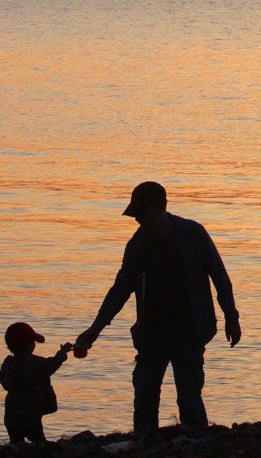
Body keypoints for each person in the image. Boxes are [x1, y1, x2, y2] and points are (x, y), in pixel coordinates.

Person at [76, 182, 240, 432]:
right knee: (144, 396)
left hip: (189, 331)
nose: (139, 219)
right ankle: (144, 442)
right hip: (151, 332)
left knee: (189, 397)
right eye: (136, 214)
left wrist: (231, 316)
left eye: (142, 213)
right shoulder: (137, 245)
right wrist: (94, 329)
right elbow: (121, 289)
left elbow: (219, 275)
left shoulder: (193, 234)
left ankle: (196, 442)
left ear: (161, 206)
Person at [0, 322, 73, 444]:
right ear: (29, 344)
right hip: (31, 416)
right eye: (33, 342)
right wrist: (63, 352)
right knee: (39, 442)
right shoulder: (36, 363)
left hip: (11, 416)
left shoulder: (7, 365)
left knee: (16, 443)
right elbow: (51, 365)